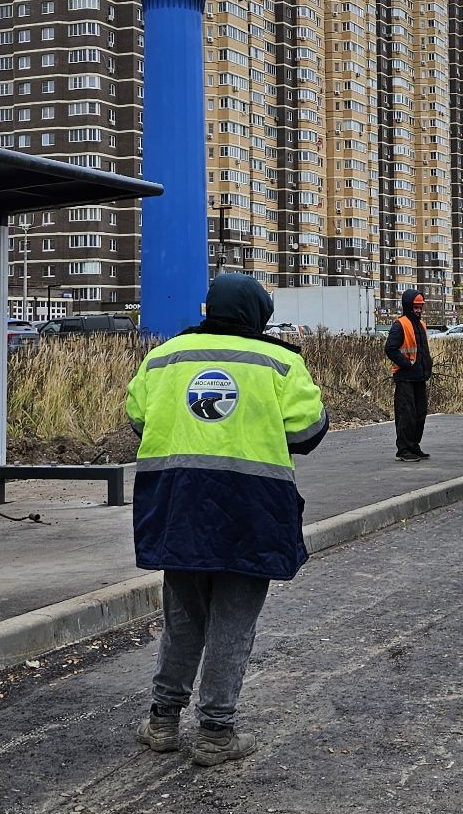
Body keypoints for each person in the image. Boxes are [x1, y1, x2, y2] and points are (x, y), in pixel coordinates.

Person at [124, 273, 328, 766]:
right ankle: (216, 733)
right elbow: (307, 431)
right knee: (232, 623)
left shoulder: (165, 357)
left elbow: (138, 420)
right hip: (250, 509)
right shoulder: (281, 362)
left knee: (182, 618)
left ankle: (162, 722)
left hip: (178, 506)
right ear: (258, 314)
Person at [383, 289, 432, 461]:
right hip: (405, 378)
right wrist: (406, 364)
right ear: (408, 306)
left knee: (420, 413)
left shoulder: (421, 325)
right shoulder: (400, 325)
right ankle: (403, 450)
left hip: (419, 377)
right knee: (407, 414)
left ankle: (413, 446)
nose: (418, 310)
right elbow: (390, 349)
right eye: (415, 307)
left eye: (420, 307)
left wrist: (427, 367)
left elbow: (423, 350)